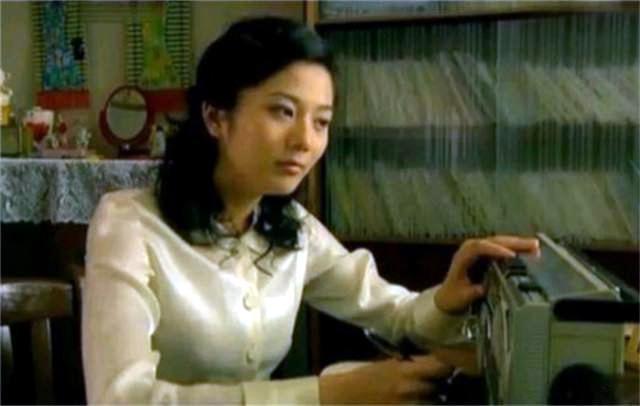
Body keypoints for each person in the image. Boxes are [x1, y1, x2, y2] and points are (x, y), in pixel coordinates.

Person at [82, 16, 539, 405]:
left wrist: (445, 299)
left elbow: (391, 311)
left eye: (321, 121)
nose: (305, 140)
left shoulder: (290, 227)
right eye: (283, 112)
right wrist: (325, 394)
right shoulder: (129, 224)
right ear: (216, 117)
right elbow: (121, 398)